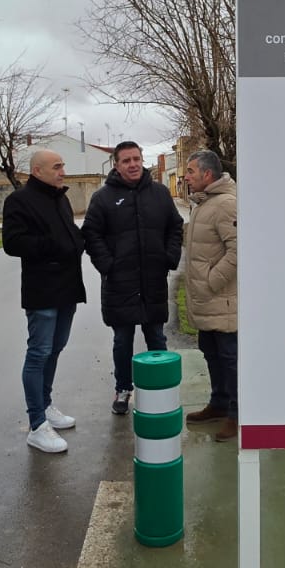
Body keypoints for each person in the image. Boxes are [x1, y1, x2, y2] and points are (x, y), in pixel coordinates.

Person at [82, 141, 182, 415]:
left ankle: (161, 388)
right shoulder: (103, 198)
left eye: (137, 158)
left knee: (156, 338)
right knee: (122, 341)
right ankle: (123, 389)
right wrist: (108, 265)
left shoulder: (160, 193)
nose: (133, 164)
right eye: (126, 160)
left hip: (153, 280)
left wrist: (169, 256)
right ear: (116, 165)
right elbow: (91, 234)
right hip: (120, 283)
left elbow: (175, 226)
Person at [1, 150, 85, 454]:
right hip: (42, 290)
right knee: (39, 353)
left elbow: (68, 234)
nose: (63, 171)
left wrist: (77, 240)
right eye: (57, 167)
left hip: (68, 287)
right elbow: (12, 243)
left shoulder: (60, 198)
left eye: (63, 165)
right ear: (37, 171)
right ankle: (37, 424)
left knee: (56, 348)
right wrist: (56, 244)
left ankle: (46, 404)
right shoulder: (19, 201)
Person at [181, 150, 239, 442]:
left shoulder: (226, 204)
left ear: (207, 174)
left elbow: (239, 250)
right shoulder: (203, 203)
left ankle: (237, 414)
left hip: (223, 301)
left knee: (230, 359)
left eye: (191, 171)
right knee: (212, 353)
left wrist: (212, 281)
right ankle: (219, 404)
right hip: (207, 301)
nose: (186, 177)